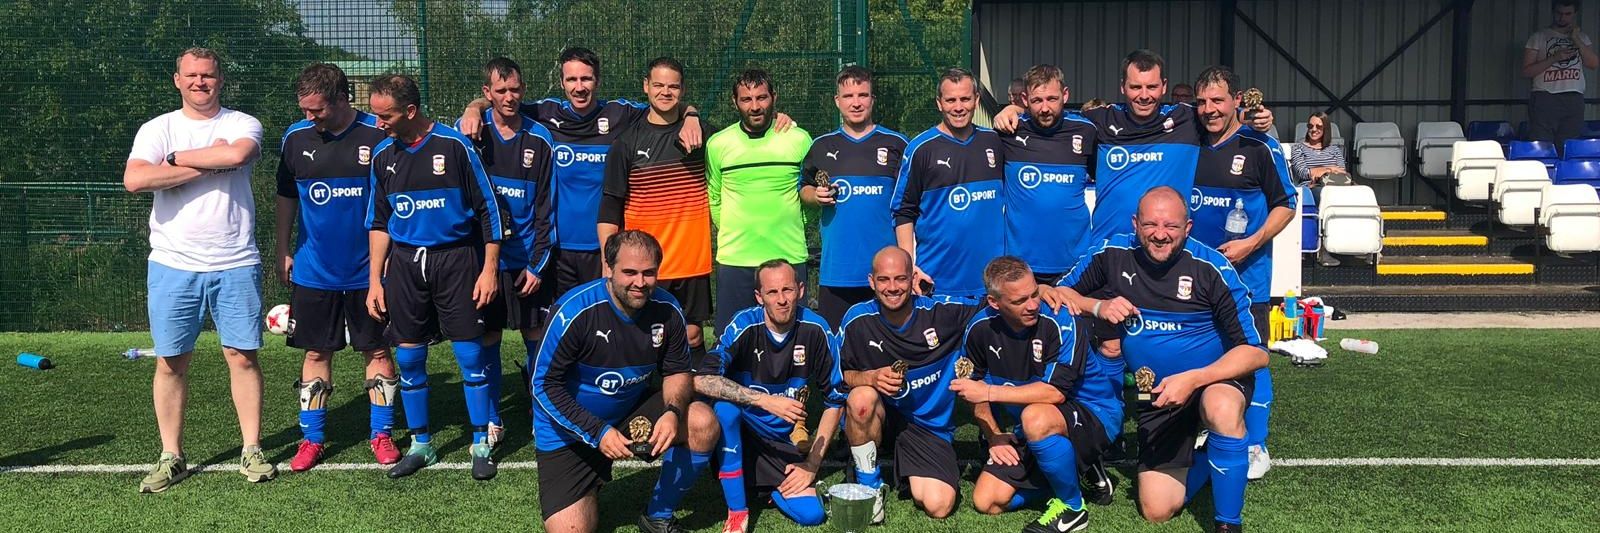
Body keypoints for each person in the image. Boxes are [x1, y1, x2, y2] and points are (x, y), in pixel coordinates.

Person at [1053, 187, 1268, 533]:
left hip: (1212, 380)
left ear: (1188, 227)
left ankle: (1228, 523)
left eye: (1171, 226)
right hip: (1159, 394)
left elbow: (1255, 352)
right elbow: (1056, 293)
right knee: (1157, 509)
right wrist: (1099, 306)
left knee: (1221, 407)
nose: (1160, 234)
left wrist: (1195, 379)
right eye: (1150, 224)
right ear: (1135, 224)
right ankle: (1213, 459)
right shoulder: (1112, 255)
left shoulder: (1212, 268)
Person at [123, 47, 274, 492]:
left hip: (235, 260)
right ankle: (172, 456)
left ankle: (252, 450)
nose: (200, 83)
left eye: (207, 75)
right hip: (172, 263)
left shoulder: (242, 123)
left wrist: (171, 162)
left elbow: (236, 156)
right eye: (191, 76)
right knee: (171, 363)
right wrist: (197, 159)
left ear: (219, 79)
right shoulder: (157, 128)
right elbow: (135, 180)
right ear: (177, 80)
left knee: (242, 357)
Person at [457, 47, 701, 300]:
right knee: (566, 326)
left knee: (606, 326)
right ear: (562, 82)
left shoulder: (619, 114)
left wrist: (691, 116)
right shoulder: (545, 114)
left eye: (586, 78)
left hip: (605, 249)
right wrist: (473, 108)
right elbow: (504, 97)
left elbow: (664, 101)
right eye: (572, 79)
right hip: (559, 251)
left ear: (598, 80)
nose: (579, 87)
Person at [363, 74, 505, 480]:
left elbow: (489, 210)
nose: (378, 123)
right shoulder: (382, 156)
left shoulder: (454, 146)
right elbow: (378, 222)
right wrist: (376, 280)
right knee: (408, 357)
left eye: (385, 115)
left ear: (410, 111)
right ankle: (421, 444)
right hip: (406, 266)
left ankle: (481, 442)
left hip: (456, 260)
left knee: (470, 356)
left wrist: (489, 269)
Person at [275, 62, 400, 472]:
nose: (309, 118)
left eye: (318, 110)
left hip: (369, 272)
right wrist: (282, 249)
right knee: (316, 351)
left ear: (342, 99)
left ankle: (381, 435)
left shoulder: (376, 136)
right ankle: (311, 440)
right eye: (305, 109)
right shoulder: (295, 138)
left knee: (378, 349)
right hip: (315, 270)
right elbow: (286, 196)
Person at [528, 230, 694, 533]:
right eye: (629, 272)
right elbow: (542, 385)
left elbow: (677, 371)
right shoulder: (575, 311)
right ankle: (587, 481)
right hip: (571, 431)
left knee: (702, 422)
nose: (639, 283)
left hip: (629, 415)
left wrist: (673, 411)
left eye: (648, 273)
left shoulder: (668, 310)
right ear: (609, 268)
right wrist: (597, 432)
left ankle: (658, 515)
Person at [953, 256, 1124, 533]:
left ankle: (1072, 508)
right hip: (1033, 425)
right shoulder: (978, 329)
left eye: (1035, 293)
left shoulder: (1061, 320)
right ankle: (1072, 471)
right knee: (987, 501)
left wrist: (988, 391)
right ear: (994, 303)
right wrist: (994, 435)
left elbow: (1054, 393)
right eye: (1020, 301)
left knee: (1035, 416)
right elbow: (973, 392)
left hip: (1096, 414)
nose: (1033, 304)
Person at [1188, 66, 1296, 481]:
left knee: (1250, 357)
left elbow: (1285, 204)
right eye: (1202, 102)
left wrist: (1251, 243)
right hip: (1195, 276)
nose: (1209, 110)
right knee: (1206, 353)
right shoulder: (1190, 142)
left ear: (1237, 101)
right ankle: (1216, 424)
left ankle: (1255, 443)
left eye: (1217, 101)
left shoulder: (1258, 145)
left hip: (1245, 277)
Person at [696, 260, 845, 533]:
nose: (781, 300)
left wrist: (812, 464)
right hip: (742, 431)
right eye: (772, 292)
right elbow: (702, 379)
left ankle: (763, 484)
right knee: (726, 411)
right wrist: (764, 400)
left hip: (780, 441)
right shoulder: (744, 325)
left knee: (812, 514)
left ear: (800, 290)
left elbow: (835, 400)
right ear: (759, 296)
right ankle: (738, 511)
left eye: (787, 290)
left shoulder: (816, 329)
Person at [838, 246, 982, 521]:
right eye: (883, 280)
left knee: (939, 505)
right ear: (871, 282)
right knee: (861, 399)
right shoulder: (857, 320)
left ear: (912, 278)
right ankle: (870, 489)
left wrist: (1045, 292)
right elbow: (836, 375)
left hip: (925, 427)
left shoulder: (941, 313)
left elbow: (996, 302)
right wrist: (869, 377)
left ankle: (909, 464)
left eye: (900, 279)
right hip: (881, 416)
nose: (892, 287)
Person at [460, 57, 558, 449]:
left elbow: (546, 209)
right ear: (487, 94)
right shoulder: (470, 133)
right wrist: (470, 110)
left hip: (527, 262)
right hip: (486, 263)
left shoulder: (540, 138)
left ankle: (541, 416)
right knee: (488, 338)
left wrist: (537, 264)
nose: (509, 97)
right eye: (500, 91)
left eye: (515, 89)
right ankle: (493, 419)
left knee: (537, 337)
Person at [599, 57, 715, 371]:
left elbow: (746, 137)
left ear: (683, 90)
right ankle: (644, 409)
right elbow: (610, 208)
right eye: (659, 85)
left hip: (691, 262)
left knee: (692, 336)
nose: (666, 92)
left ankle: (697, 411)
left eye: (673, 86)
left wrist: (779, 121)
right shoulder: (626, 142)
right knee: (647, 337)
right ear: (646, 87)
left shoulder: (703, 135)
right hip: (646, 265)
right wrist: (606, 263)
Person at [707, 69, 813, 332]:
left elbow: (810, 198)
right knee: (732, 343)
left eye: (762, 98)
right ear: (735, 102)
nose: (755, 106)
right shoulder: (718, 144)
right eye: (746, 99)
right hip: (736, 260)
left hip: (788, 256)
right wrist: (739, 231)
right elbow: (714, 200)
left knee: (793, 341)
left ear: (774, 98)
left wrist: (795, 224)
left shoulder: (799, 139)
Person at [801, 66, 908, 326]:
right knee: (838, 349)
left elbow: (910, 206)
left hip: (887, 274)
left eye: (863, 95)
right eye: (848, 96)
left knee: (888, 346)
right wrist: (816, 196)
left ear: (873, 99)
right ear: (837, 101)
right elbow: (803, 189)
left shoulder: (897, 144)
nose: (856, 103)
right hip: (838, 272)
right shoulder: (821, 146)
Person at [893, 67, 1006, 299]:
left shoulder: (994, 141)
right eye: (950, 100)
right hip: (937, 280)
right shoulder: (921, 148)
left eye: (965, 99)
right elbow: (903, 211)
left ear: (976, 100)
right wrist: (909, 267)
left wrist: (1014, 107)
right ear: (939, 103)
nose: (958, 107)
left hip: (992, 283)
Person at [1000, 64, 1098, 284]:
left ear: (1065, 94)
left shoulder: (1085, 131)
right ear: (1024, 99)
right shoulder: (1008, 132)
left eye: (1052, 99)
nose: (1045, 108)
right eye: (1037, 101)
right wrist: (1008, 111)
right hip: (1020, 265)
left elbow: (1107, 183)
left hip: (1075, 261)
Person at [1524, 0, 1599, 150]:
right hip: (1545, 96)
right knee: (1542, 145)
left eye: (1567, 14)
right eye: (1559, 13)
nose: (1562, 18)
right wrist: (1554, 58)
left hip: (1574, 97)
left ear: (1574, 14)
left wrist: (1576, 39)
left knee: (1569, 146)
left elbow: (1593, 64)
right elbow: (1526, 71)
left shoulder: (1582, 38)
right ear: (1553, 12)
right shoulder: (1539, 37)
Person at [1292, 112, 1348, 267]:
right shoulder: (1298, 148)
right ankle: (1322, 249)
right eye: (1310, 126)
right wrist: (1330, 168)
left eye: (1319, 126)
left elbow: (1342, 171)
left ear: (1326, 129)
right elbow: (1303, 172)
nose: (1314, 129)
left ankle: (1365, 246)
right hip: (1311, 188)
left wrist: (1320, 171)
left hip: (1336, 187)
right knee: (1324, 196)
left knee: (1362, 195)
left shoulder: (1334, 149)